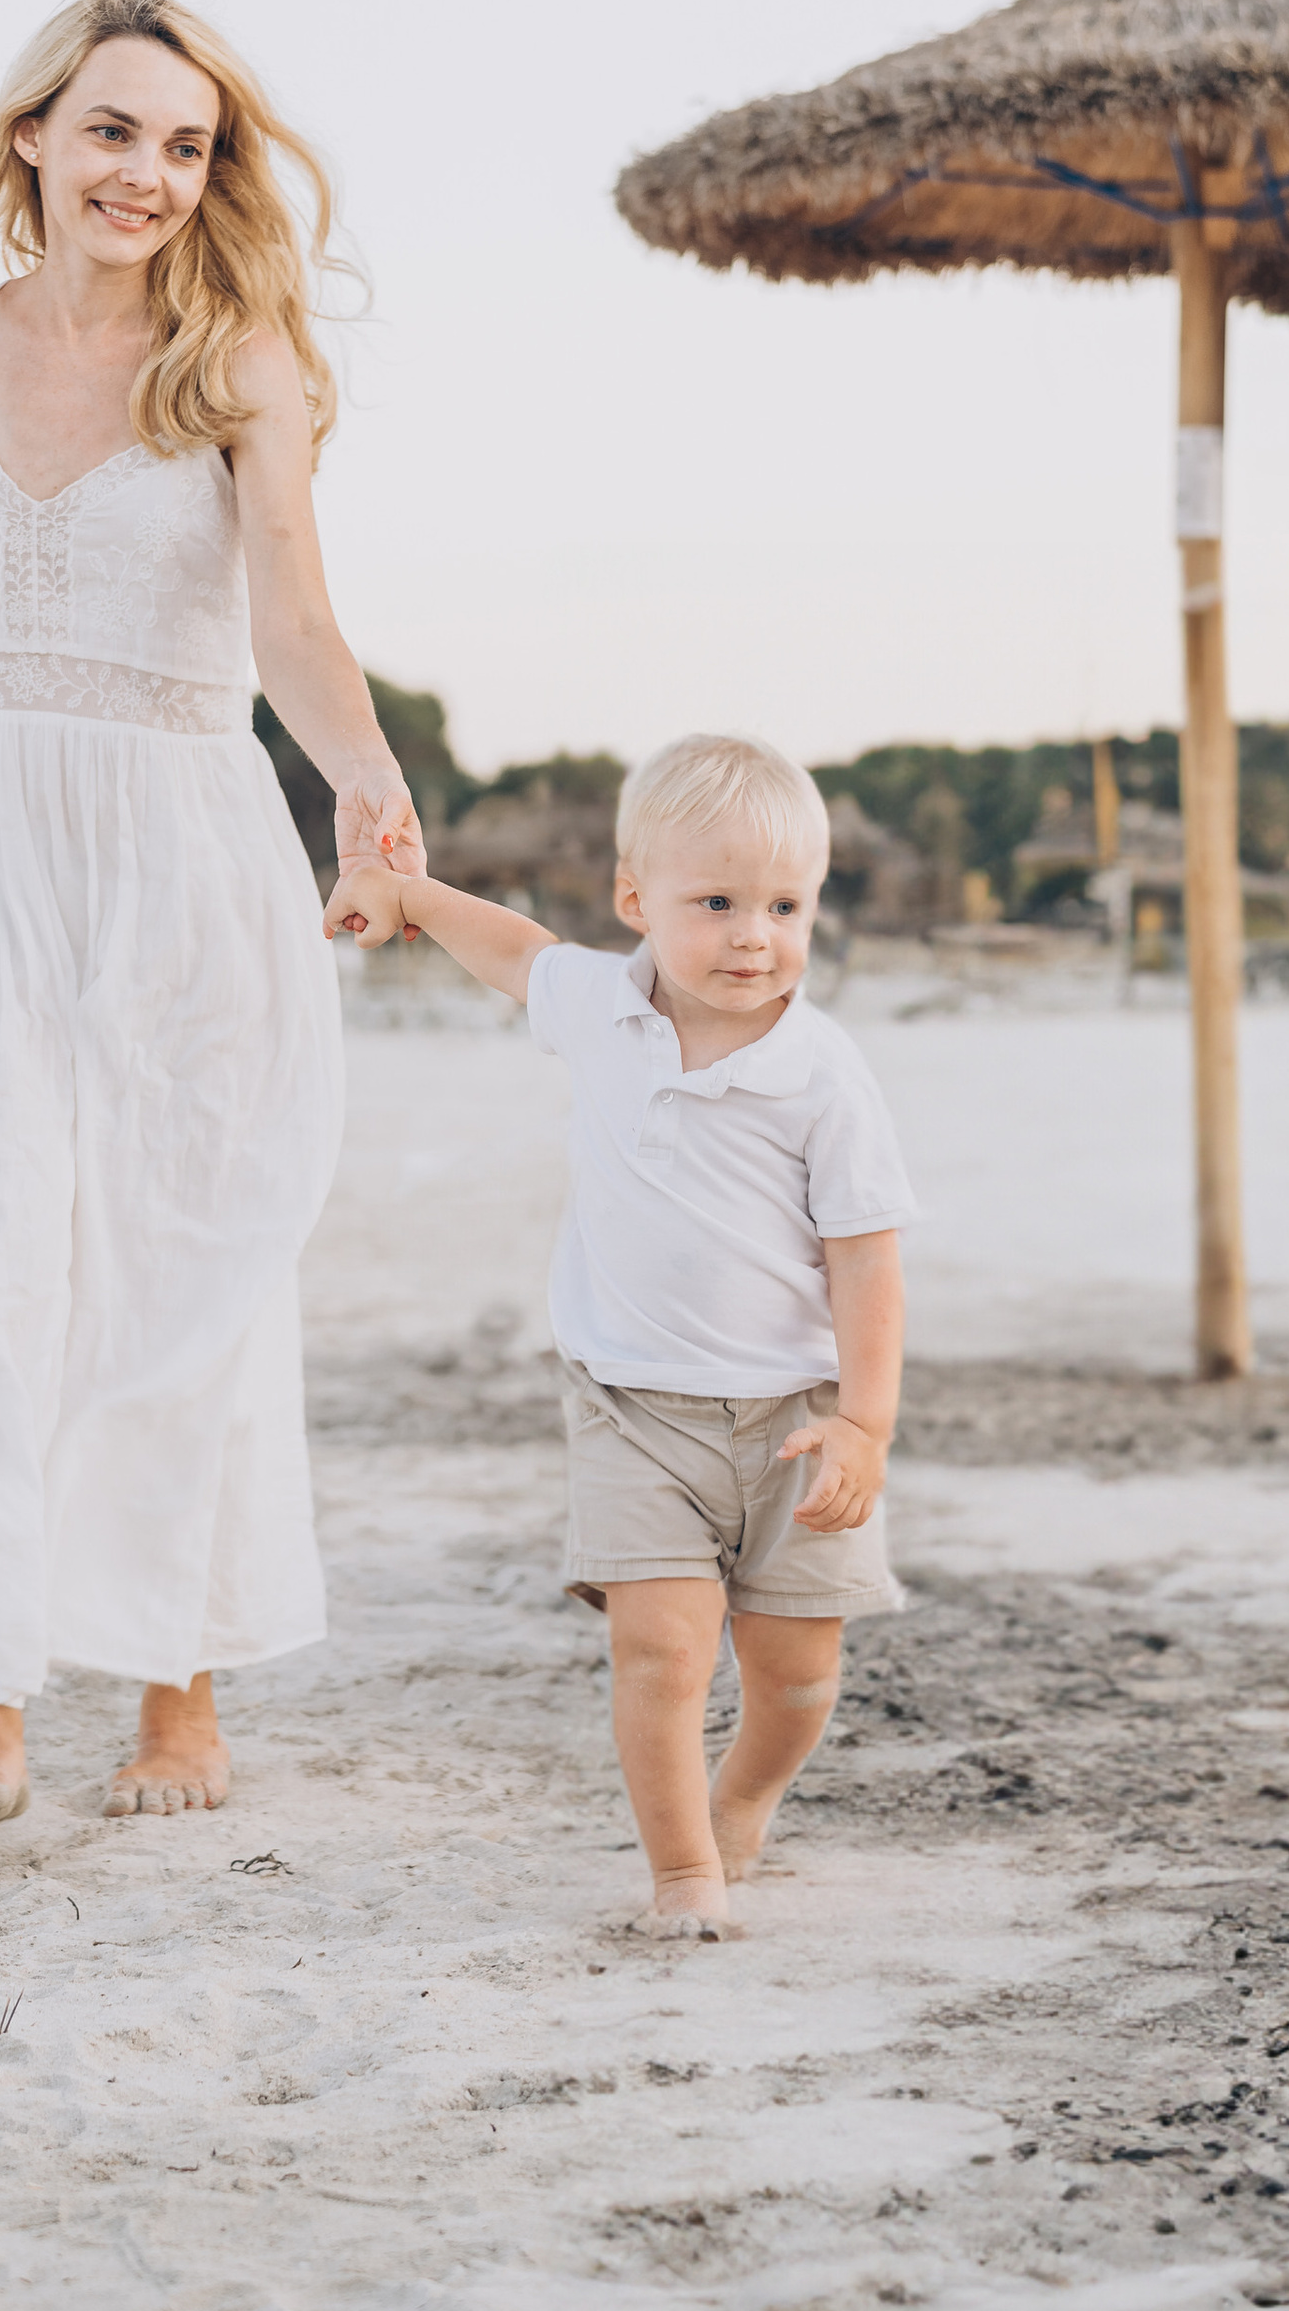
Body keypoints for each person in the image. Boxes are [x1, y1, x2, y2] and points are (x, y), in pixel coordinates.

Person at [0, 0, 422, 1831]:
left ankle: (178, 1696)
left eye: (186, 145)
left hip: (181, 833)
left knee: (178, 1250)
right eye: (113, 132)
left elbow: (297, 620)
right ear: (35, 141)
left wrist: (372, 791)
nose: (147, 173)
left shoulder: (240, 363)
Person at [325, 732, 912, 1935]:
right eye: (716, 904)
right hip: (632, 1408)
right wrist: (402, 893)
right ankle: (683, 1869)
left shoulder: (822, 1075)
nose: (755, 934)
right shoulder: (599, 1006)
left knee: (796, 1679)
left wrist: (865, 1424)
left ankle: (745, 1793)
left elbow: (867, 1259)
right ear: (634, 901)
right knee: (658, 1652)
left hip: (797, 1421)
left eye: (785, 905)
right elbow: (511, 950)